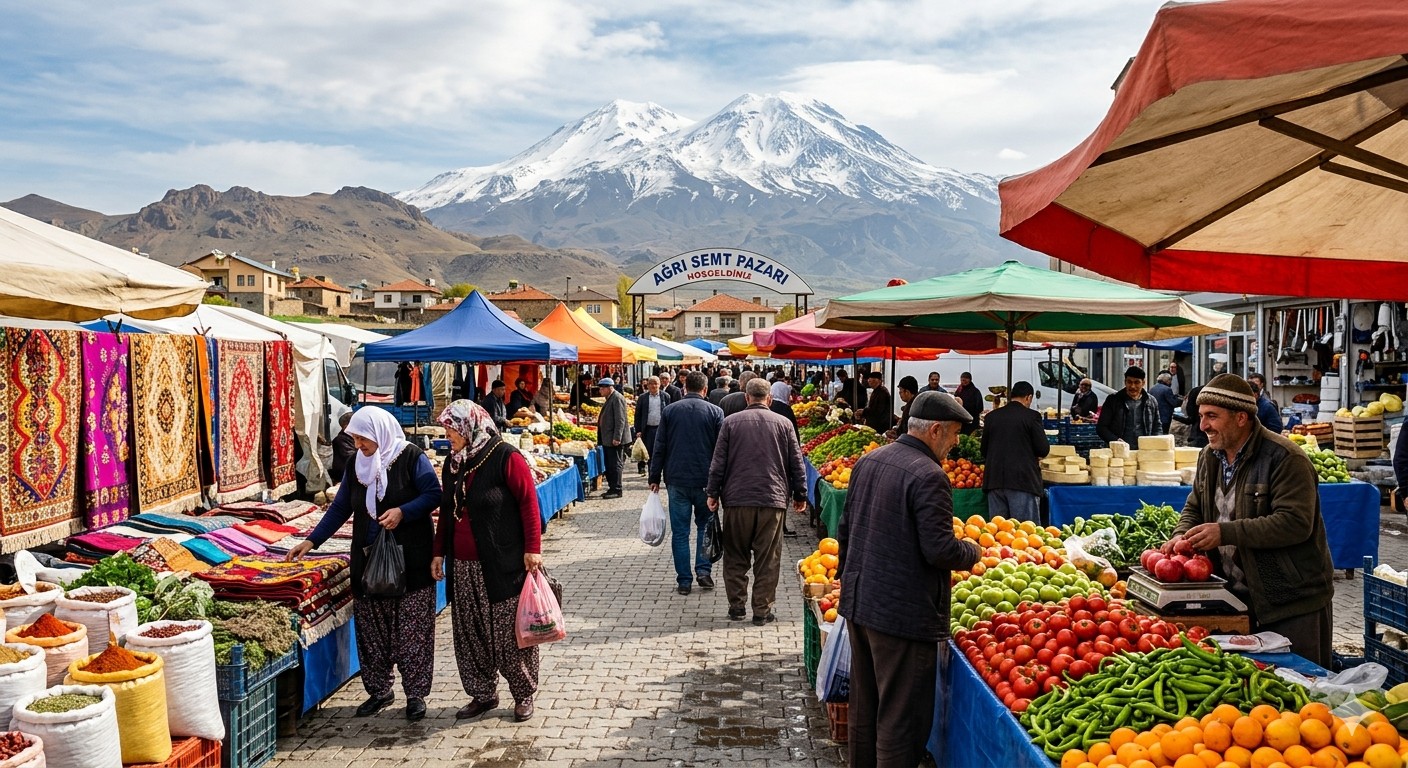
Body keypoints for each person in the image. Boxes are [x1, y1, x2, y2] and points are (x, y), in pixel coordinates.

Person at [837, 392, 981, 766]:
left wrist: (848, 583)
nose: (956, 442)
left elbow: (845, 528)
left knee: (866, 708)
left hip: (861, 604)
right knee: (901, 720)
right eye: (954, 433)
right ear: (935, 430)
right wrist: (972, 551)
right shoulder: (930, 475)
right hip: (902, 615)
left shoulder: (869, 460)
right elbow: (940, 550)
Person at [288, 406, 442, 721]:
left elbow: (433, 494)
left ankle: (415, 695)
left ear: (379, 434)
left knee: (413, 633)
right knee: (372, 632)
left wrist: (403, 512)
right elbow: (341, 506)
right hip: (368, 560)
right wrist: (312, 541)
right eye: (355, 439)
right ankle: (380, 691)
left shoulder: (410, 457)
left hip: (410, 561)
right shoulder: (357, 464)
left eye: (363, 438)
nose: (359, 445)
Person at [1173, 374, 1334, 666]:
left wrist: (1225, 532)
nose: (1203, 425)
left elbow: (1295, 523)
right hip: (1237, 599)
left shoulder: (1286, 459)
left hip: (1290, 601)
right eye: (1201, 415)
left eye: (1212, 416)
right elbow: (1195, 505)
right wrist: (1181, 535)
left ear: (1241, 418)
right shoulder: (1210, 456)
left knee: (1301, 684)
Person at [431, 400, 544, 722]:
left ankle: (523, 693)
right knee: (470, 633)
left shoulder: (505, 456)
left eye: (451, 429)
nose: (447, 436)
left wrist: (533, 548)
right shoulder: (454, 463)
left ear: (468, 427)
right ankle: (482, 694)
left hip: (502, 563)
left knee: (510, 635)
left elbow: (529, 503)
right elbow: (447, 511)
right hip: (463, 566)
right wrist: (439, 552)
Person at [707, 379, 807, 624]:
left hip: (737, 499)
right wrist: (800, 494)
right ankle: (762, 611)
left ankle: (737, 607)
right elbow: (797, 462)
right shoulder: (784, 424)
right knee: (768, 558)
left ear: (746, 397)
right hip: (772, 499)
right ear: (769, 398)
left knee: (735, 555)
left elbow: (718, 462)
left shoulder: (730, 423)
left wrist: (712, 492)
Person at [649, 372, 725, 595]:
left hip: (677, 479)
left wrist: (654, 477)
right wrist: (721, 482)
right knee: (704, 527)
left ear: (684, 387)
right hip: (706, 481)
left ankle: (684, 580)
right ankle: (703, 571)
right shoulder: (715, 412)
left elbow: (660, 446)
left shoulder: (670, 411)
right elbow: (721, 451)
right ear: (705, 389)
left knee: (680, 532)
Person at [980, 381, 1050, 523]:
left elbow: (983, 450)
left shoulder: (991, 417)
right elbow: (1042, 449)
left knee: (998, 531)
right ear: (1028, 397)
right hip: (1022, 481)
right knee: (1025, 531)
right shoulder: (1032, 416)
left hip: (994, 481)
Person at [1096, 366, 1161, 445]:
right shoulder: (1113, 400)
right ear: (1125, 382)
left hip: (1144, 449)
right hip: (1119, 449)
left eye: (1136, 382)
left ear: (1143, 383)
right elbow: (1101, 427)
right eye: (1129, 382)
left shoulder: (1151, 401)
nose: (1132, 386)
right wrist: (1115, 440)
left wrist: (1154, 443)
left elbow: (1157, 427)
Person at [596, 378, 630, 499]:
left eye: (602, 388)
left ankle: (617, 489)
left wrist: (617, 437)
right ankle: (612, 488)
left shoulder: (617, 398)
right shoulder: (610, 398)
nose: (600, 391)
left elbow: (620, 420)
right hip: (608, 439)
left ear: (610, 388)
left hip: (614, 440)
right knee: (610, 465)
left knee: (615, 464)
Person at [634, 376, 671, 475]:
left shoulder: (665, 396)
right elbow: (638, 415)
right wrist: (638, 430)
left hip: (661, 429)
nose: (653, 386)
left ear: (659, 385)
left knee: (662, 451)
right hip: (648, 430)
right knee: (650, 453)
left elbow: (669, 413)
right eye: (651, 384)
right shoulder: (643, 398)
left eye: (656, 383)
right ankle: (652, 475)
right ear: (648, 385)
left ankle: (663, 473)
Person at [1172, 383, 1209, 448]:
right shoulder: (1211, 391)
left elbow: (1191, 417)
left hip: (1198, 434)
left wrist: (1176, 417)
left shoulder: (1195, 391)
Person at [329, 411, 356, 484]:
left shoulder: (354, 438)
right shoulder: (341, 440)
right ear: (346, 427)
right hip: (345, 476)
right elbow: (352, 458)